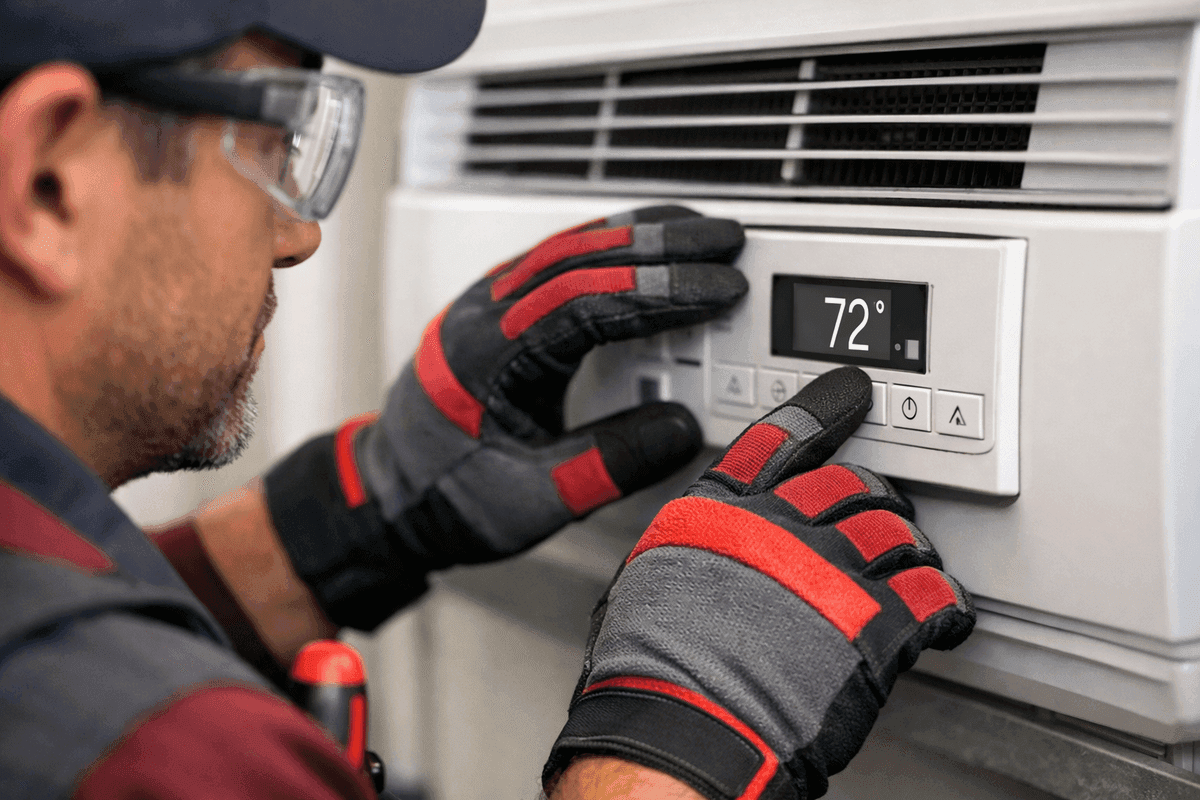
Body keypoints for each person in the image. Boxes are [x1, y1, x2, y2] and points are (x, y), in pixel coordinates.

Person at [0, 1, 976, 798]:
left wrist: (348, 519)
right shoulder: (155, 752)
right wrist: (670, 752)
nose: (296, 237)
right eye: (272, 142)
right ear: (47, 179)